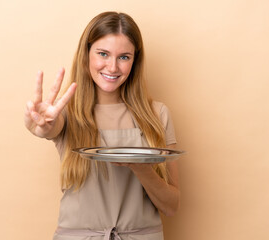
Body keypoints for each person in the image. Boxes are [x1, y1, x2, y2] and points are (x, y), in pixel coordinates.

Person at [24, 11, 180, 240]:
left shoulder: (158, 114)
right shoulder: (67, 114)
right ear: (86, 54)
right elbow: (48, 127)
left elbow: (171, 206)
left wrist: (141, 167)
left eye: (124, 57)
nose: (113, 67)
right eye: (103, 54)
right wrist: (38, 125)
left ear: (135, 61)